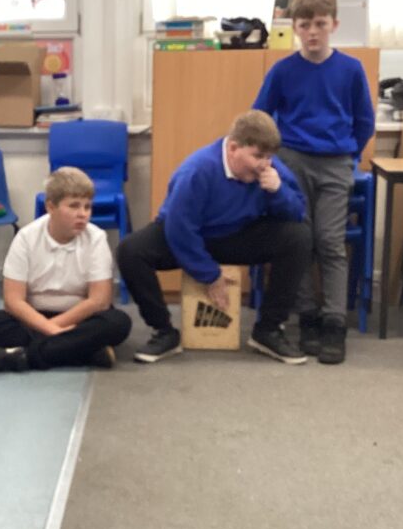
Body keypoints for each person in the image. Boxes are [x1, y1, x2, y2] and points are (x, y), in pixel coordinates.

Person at [116, 110, 312, 365]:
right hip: (188, 235)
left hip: (237, 233)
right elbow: (180, 228)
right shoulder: (197, 170)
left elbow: (297, 213)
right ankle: (163, 331)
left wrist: (278, 191)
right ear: (233, 148)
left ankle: (269, 330)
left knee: (299, 236)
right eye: (257, 156)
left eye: (269, 157)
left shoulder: (272, 170)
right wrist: (209, 274)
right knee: (130, 251)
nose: (264, 164)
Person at [253, 0, 375, 364]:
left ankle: (334, 323)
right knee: (300, 240)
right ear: (294, 27)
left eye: (320, 24)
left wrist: (349, 156)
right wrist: (272, 159)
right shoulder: (283, 70)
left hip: (336, 162)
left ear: (334, 24)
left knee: (330, 241)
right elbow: (260, 116)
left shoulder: (350, 69)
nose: (312, 32)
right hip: (292, 163)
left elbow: (364, 121)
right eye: (304, 25)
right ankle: (307, 317)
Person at [0, 167, 132, 372]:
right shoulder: (26, 238)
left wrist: (55, 326)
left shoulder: (96, 238)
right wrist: (50, 329)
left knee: (118, 323)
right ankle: (85, 352)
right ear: (50, 206)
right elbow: (13, 301)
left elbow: (99, 300)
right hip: (34, 317)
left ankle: (24, 358)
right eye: (74, 206)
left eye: (87, 207)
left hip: (80, 318)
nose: (83, 214)